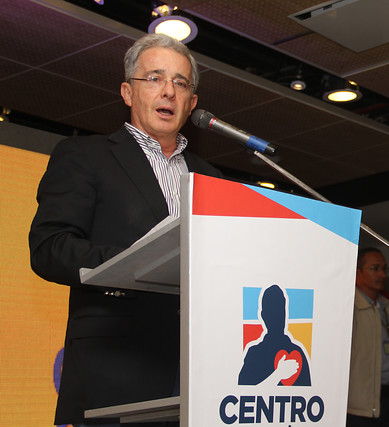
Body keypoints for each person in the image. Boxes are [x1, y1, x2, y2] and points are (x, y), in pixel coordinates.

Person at [29, 33, 222, 426]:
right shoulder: (85, 156)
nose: (168, 91)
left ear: (192, 103)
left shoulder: (212, 178)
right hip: (117, 371)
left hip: (203, 372)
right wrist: (135, 263)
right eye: (154, 78)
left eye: (180, 83)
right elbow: (50, 246)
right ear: (127, 92)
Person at [347, 247, 389, 427]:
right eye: (375, 268)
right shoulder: (350, 307)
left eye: (384, 269)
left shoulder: (385, 305)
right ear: (357, 272)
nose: (382, 274)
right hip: (360, 406)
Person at [238, 285, 311, 386]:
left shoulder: (298, 353)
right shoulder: (254, 354)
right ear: (263, 316)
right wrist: (278, 375)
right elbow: (243, 391)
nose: (277, 317)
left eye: (280, 311)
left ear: (285, 314)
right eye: (272, 312)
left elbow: (307, 390)